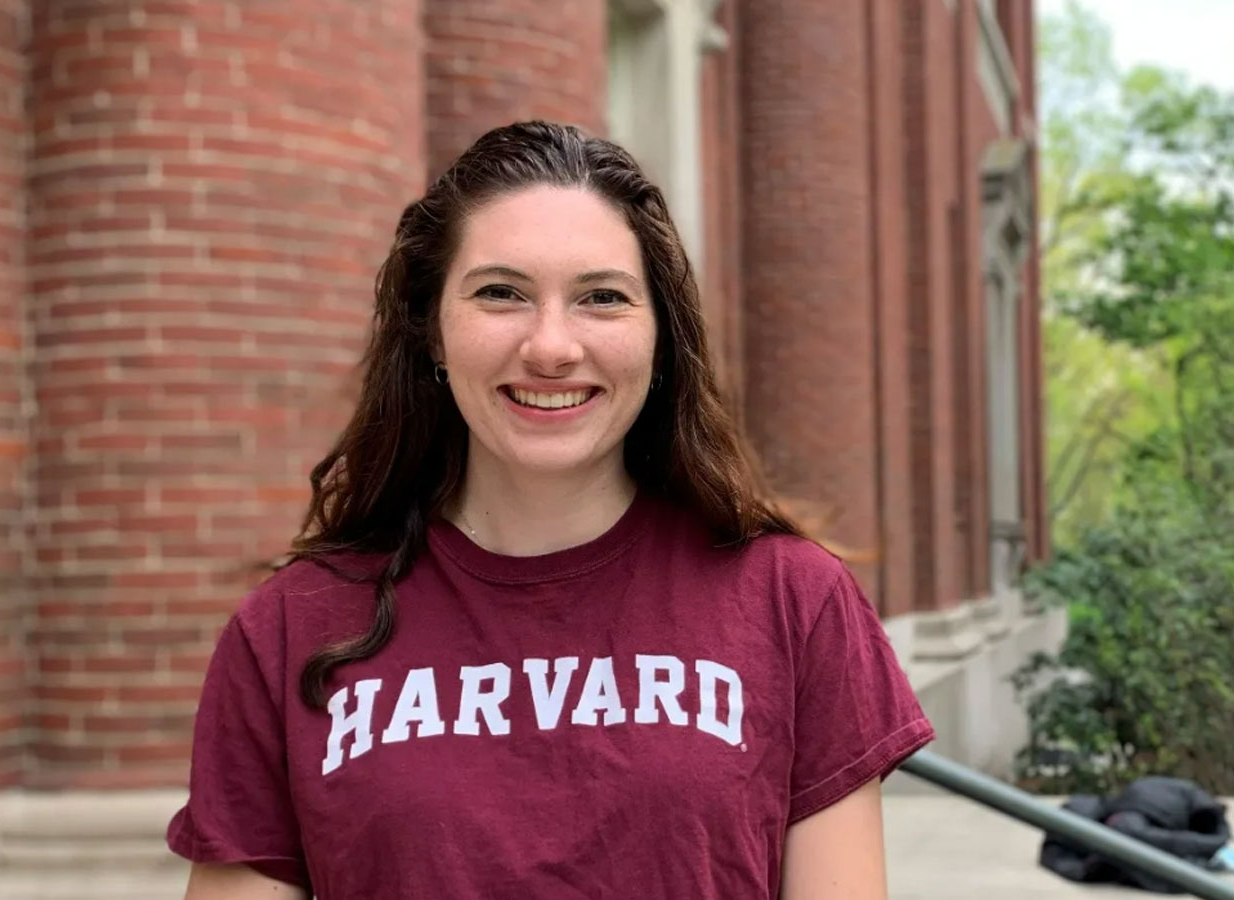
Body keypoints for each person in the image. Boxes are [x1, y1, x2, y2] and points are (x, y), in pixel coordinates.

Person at [167, 121, 934, 899]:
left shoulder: (792, 602)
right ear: (432, 330)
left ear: (662, 339)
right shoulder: (290, 629)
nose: (552, 347)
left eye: (602, 298)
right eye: (501, 293)